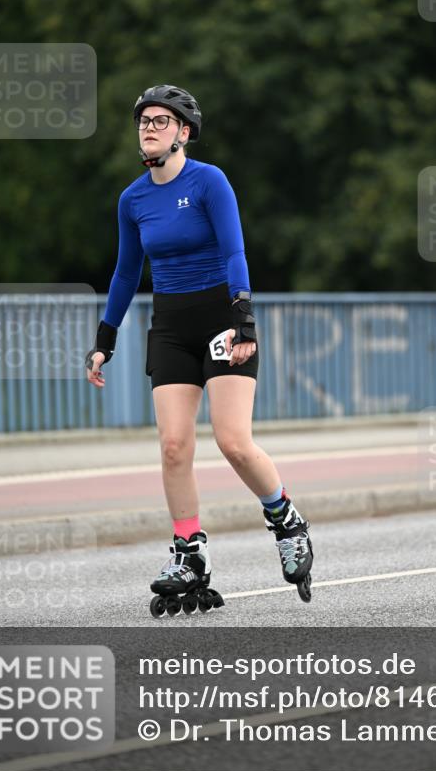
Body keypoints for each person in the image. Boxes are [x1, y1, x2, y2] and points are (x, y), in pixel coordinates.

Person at [85, 84, 313, 612]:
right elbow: (124, 272)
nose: (148, 127)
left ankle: (284, 517)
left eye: (161, 120)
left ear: (183, 132)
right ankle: (189, 551)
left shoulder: (209, 181)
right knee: (173, 446)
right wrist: (105, 339)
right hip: (169, 324)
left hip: (220, 317)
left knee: (232, 441)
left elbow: (234, 250)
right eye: (143, 120)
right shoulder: (132, 198)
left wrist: (245, 321)